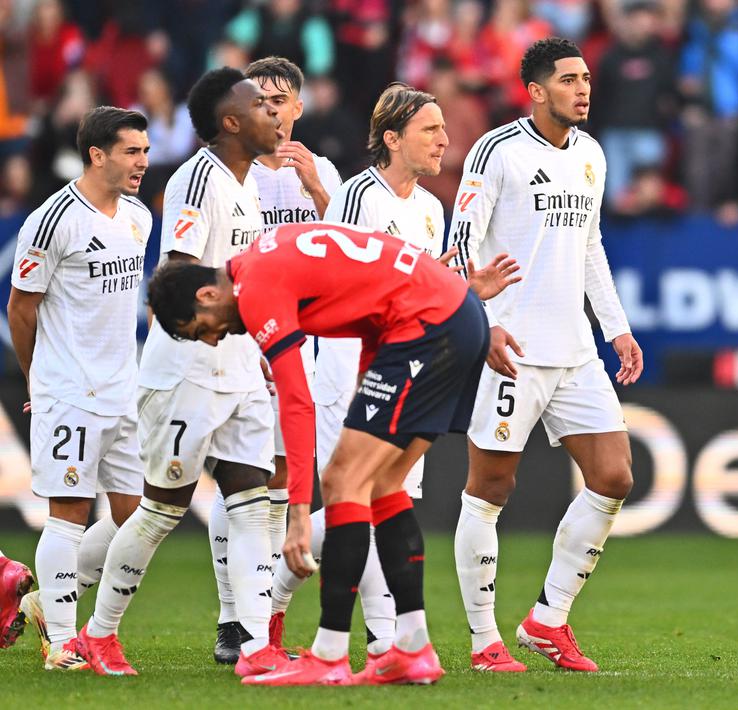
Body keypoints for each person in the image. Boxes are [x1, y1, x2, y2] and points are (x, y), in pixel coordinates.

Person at [144, 222, 518, 685]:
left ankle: (329, 656)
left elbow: (296, 402)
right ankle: (412, 648)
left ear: (206, 295)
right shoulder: (266, 257)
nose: (214, 339)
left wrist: (300, 514)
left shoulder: (255, 290)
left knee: (342, 480)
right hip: (453, 316)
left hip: (427, 326)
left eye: (201, 329)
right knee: (383, 484)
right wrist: (369, 375)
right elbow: (369, 303)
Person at [75, 68, 288, 678]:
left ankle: (256, 645)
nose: (274, 114)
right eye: (261, 105)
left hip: (240, 364)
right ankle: (97, 634)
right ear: (230, 122)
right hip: (188, 370)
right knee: (161, 509)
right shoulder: (199, 179)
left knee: (253, 503)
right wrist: (222, 318)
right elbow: (176, 275)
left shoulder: (248, 184)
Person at [448, 37, 643, 674]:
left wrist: (616, 328)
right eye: (568, 80)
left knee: (614, 477)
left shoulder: (591, 153)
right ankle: (484, 641)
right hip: (511, 346)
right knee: (490, 489)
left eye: (585, 78)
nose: (582, 89)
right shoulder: (496, 151)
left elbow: (590, 245)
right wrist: (482, 326)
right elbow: (460, 246)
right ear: (535, 91)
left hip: (575, 349)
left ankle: (548, 618)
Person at [266, 80, 451, 670]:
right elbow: (331, 277)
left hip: (407, 372)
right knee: (362, 502)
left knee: (382, 505)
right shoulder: (356, 196)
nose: (444, 140)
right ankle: (382, 641)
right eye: (430, 129)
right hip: (349, 373)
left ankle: (272, 606)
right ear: (392, 138)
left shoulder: (431, 210)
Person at [205, 54, 344, 665]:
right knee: (243, 477)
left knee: (283, 479)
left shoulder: (321, 169)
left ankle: (255, 618)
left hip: (302, 343)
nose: (271, 109)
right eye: (259, 99)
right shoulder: (233, 173)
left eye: (280, 99)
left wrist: (318, 188)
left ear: (299, 108)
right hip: (245, 340)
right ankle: (232, 619)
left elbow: (347, 250)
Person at [6, 107, 150, 670]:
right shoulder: (53, 219)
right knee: (68, 511)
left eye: (144, 150)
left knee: (137, 514)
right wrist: (38, 377)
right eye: (131, 151)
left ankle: (46, 602)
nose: (142, 161)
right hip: (69, 390)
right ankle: (64, 642)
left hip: (123, 389)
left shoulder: (138, 216)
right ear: (97, 154)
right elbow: (21, 307)